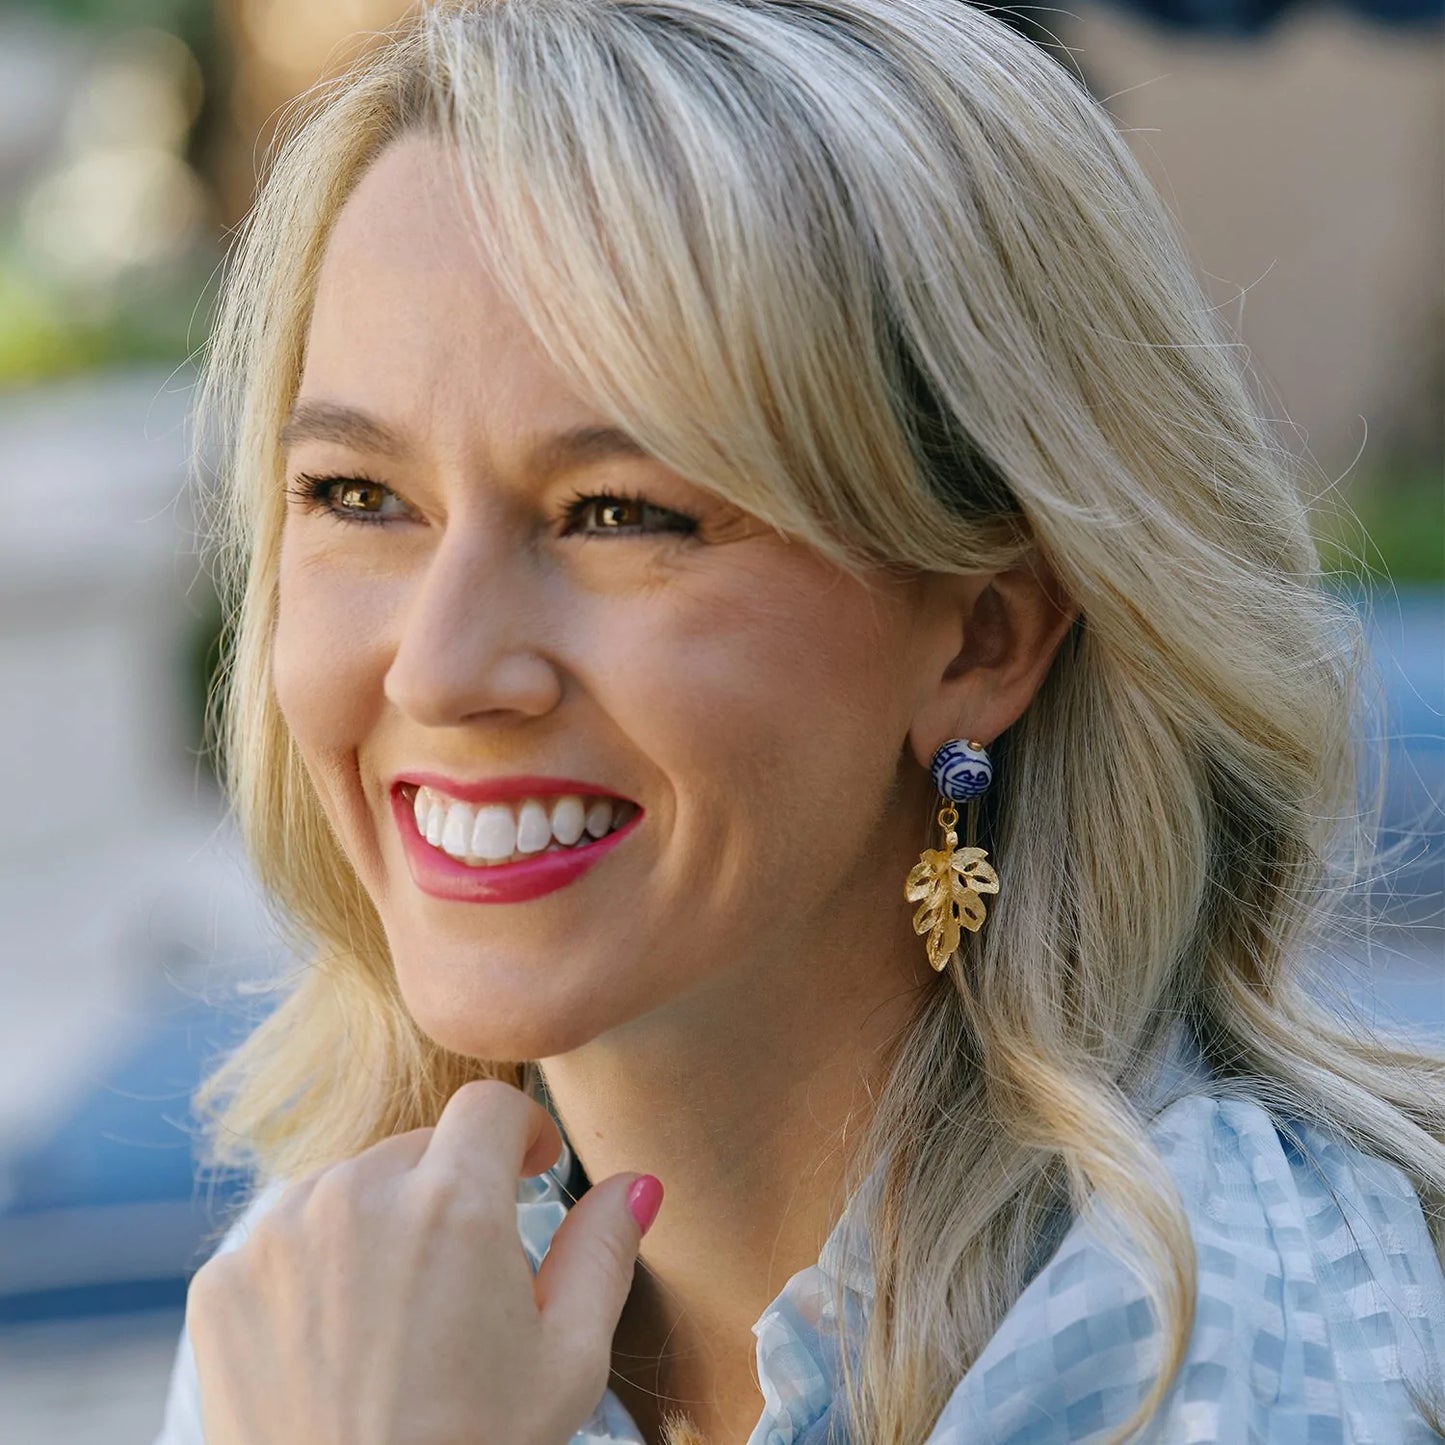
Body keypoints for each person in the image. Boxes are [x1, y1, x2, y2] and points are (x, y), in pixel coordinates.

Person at [153, 1, 1445, 1441]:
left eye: (619, 513)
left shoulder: (1303, 1353)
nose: (440, 669)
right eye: (357, 495)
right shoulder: (308, 1316)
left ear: (982, 635)